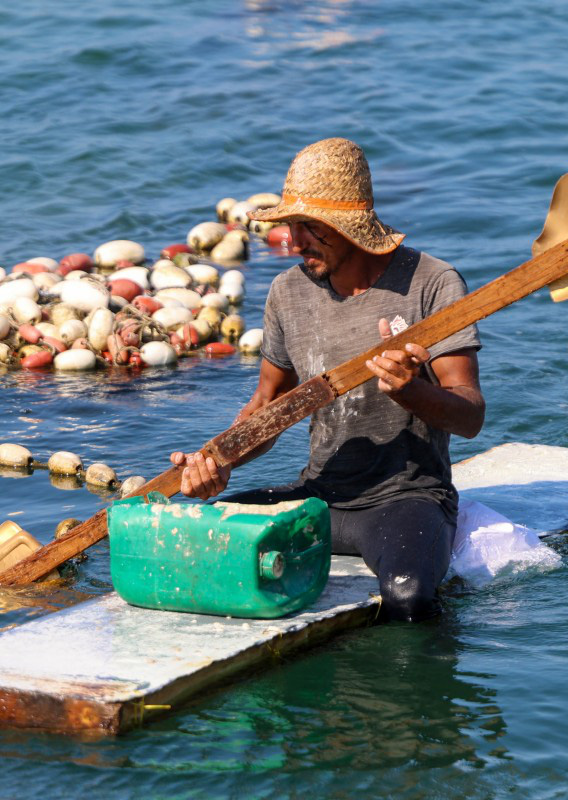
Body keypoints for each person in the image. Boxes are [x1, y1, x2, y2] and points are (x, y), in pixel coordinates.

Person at [169, 137, 484, 621]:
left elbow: (470, 414)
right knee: (190, 539)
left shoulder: (432, 283)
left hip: (406, 499)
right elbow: (267, 407)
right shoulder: (287, 292)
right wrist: (217, 460)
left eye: (309, 228)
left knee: (409, 597)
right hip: (320, 500)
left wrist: (411, 390)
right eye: (290, 227)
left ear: (350, 227)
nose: (293, 243)